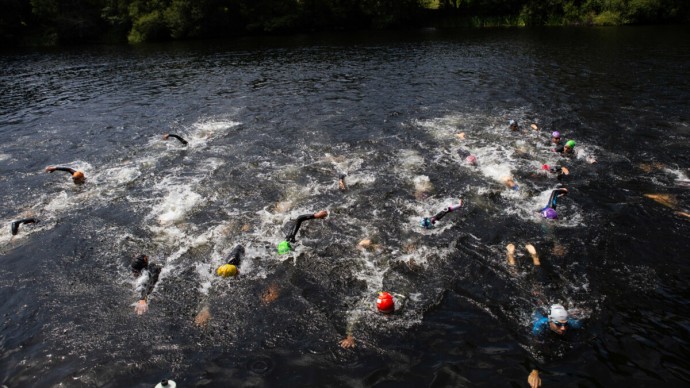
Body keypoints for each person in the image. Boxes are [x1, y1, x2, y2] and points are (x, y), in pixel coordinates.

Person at [528, 304, 583, 387]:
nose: (563, 328)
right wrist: (535, 370)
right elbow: (536, 350)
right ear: (550, 321)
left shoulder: (573, 325)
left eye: (565, 324)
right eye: (558, 324)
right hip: (540, 316)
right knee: (539, 307)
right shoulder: (539, 327)